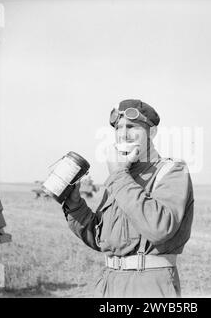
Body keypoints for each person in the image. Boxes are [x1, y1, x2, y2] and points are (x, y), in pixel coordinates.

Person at [62, 99, 194, 298]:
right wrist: (75, 205)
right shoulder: (121, 175)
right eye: (118, 128)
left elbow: (159, 228)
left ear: (152, 132)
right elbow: (101, 240)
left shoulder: (171, 170)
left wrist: (118, 176)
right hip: (109, 283)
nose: (123, 134)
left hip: (149, 284)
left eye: (132, 127)